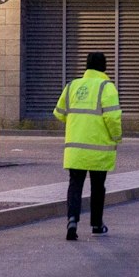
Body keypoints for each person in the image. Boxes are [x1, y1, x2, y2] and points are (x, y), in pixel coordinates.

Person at [54, 51, 123, 240]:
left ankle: (72, 220)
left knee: (75, 185)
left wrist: (77, 123)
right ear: (104, 67)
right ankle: (96, 224)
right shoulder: (107, 87)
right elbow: (112, 118)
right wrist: (117, 137)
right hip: (98, 149)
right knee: (98, 187)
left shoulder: (72, 86)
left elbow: (59, 113)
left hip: (76, 149)